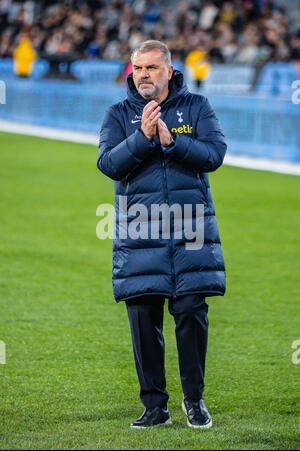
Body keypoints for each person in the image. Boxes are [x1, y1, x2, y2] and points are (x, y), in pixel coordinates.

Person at [97, 40, 227, 429]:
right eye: (138, 68)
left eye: (152, 68)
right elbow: (108, 164)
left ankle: (194, 400)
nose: (143, 75)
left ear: (169, 71)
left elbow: (215, 155)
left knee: (190, 311)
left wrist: (172, 141)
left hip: (190, 224)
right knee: (142, 314)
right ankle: (154, 406)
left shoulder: (198, 107)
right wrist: (143, 138)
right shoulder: (118, 114)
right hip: (140, 225)